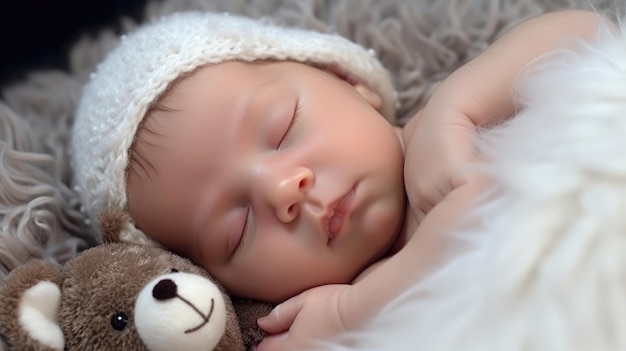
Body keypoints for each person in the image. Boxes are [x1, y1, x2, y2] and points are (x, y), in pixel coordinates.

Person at [69, 7, 610, 350]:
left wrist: (457, 106)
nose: (283, 191)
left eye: (281, 131)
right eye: (237, 230)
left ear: (347, 80)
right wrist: (349, 312)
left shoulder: (445, 128)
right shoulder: (344, 315)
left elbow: (587, 35)